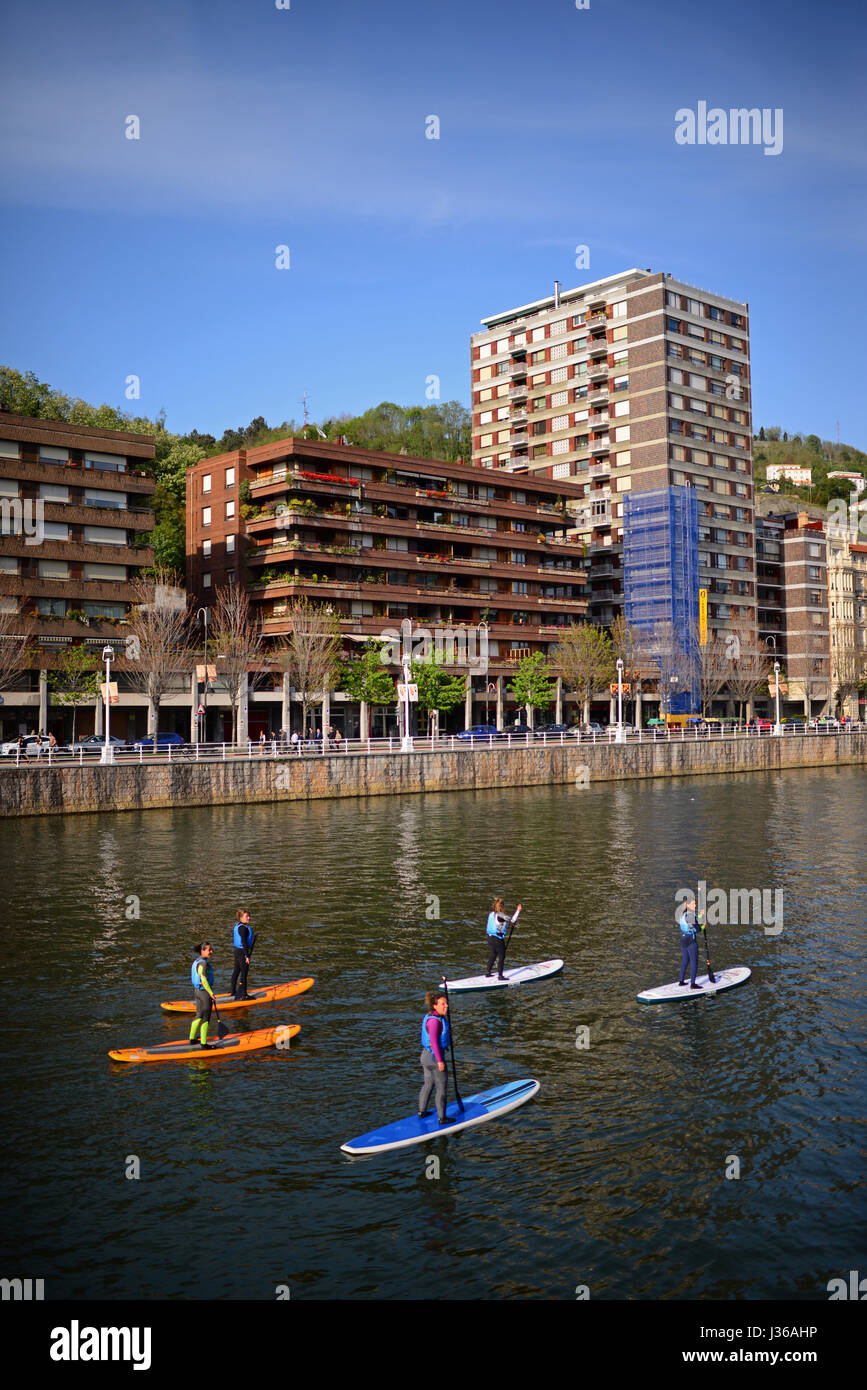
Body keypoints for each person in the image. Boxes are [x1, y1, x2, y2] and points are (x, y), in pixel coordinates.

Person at [418, 990, 451, 1124]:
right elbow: (434, 1041)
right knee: (441, 1088)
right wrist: (440, 1061)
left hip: (425, 1057)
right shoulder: (435, 1022)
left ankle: (422, 1112)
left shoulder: (431, 1016)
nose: (446, 1006)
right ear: (435, 1006)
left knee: (428, 1084)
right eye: (443, 1004)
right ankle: (442, 1118)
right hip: (434, 1057)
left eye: (446, 1003)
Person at [189, 942, 217, 1048]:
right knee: (206, 1017)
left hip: (197, 992)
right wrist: (211, 993)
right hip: (204, 993)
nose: (211, 952)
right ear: (203, 951)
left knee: (199, 1015)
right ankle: (204, 1044)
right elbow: (204, 979)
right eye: (209, 950)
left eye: (211, 949)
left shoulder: (197, 961)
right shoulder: (203, 963)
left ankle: (192, 1039)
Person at [485, 896, 521, 979]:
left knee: (493, 954)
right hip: (497, 939)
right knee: (502, 956)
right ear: (502, 907)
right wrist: (518, 911)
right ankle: (500, 976)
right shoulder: (501, 916)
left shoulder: (491, 914)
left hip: (490, 938)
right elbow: (512, 920)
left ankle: (488, 972)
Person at [230, 908, 256, 1000]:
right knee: (244, 973)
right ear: (241, 917)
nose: (249, 918)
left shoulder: (239, 925)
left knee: (236, 971)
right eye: (246, 916)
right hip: (242, 952)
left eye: (249, 916)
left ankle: (233, 991)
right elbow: (244, 942)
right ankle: (244, 994)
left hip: (237, 951)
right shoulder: (243, 928)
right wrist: (247, 956)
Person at [678, 897, 703, 989]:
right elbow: (698, 929)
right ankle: (693, 984)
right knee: (694, 962)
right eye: (693, 904)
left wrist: (700, 915)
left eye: (695, 903)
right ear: (688, 905)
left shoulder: (684, 914)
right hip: (691, 941)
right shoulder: (690, 915)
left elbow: (694, 920)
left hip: (684, 939)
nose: (695, 905)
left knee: (685, 961)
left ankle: (681, 981)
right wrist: (703, 926)